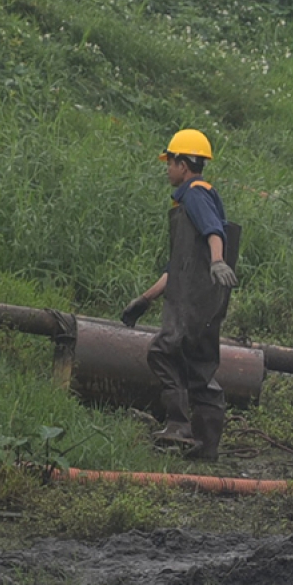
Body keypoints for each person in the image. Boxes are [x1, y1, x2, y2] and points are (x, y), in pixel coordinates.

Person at [121, 129, 240, 460]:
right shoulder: (195, 200)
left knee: (162, 352)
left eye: (170, 162)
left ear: (184, 164)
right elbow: (177, 268)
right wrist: (144, 300)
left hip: (192, 300)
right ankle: (205, 449)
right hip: (206, 301)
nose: (167, 169)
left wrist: (217, 261)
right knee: (200, 368)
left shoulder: (195, 194)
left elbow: (214, 231)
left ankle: (178, 425)